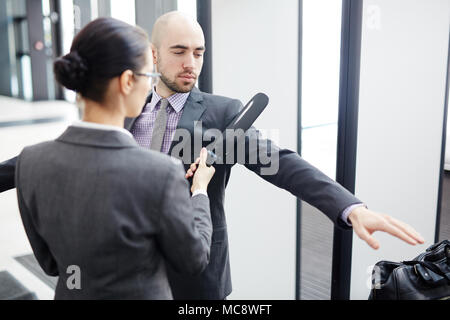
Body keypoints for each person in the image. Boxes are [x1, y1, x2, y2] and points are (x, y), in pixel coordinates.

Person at [0, 12, 424, 300]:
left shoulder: (223, 113)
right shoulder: (118, 107)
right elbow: (57, 159)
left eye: (199, 52)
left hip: (195, 276)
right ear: (153, 56)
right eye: (180, 52)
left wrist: (350, 208)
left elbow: (284, 163)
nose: (192, 64)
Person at [13, 17, 215, 299]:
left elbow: (49, 263)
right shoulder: (159, 173)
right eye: (148, 76)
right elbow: (193, 260)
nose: (150, 87)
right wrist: (200, 192)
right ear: (128, 81)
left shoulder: (30, 162)